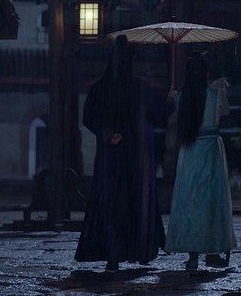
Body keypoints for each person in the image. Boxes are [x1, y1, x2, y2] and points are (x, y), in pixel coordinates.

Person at [75, 35, 176, 271]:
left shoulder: (100, 88)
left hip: (110, 155)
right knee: (133, 201)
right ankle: (137, 249)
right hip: (135, 156)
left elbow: (89, 118)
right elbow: (160, 113)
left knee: (111, 202)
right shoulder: (140, 88)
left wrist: (107, 134)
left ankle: (113, 254)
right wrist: (171, 100)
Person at [165, 51, 237, 270]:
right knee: (211, 201)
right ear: (205, 73)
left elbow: (176, 120)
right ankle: (212, 251)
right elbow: (225, 112)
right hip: (210, 151)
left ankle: (193, 255)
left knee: (191, 200)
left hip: (190, 151)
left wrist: (172, 97)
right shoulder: (215, 94)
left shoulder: (182, 98)